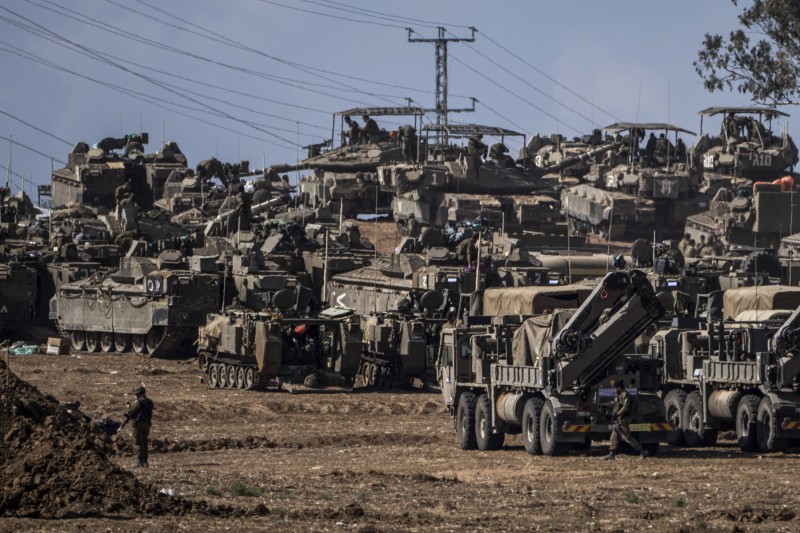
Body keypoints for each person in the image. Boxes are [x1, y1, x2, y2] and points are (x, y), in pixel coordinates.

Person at [603, 380, 648, 460]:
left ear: (619, 388)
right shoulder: (620, 395)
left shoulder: (625, 395)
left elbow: (625, 407)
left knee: (628, 437)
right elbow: (619, 404)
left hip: (624, 420)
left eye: (615, 388)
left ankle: (642, 451)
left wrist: (617, 414)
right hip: (619, 420)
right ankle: (611, 454)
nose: (614, 390)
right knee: (614, 435)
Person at [125, 384, 154, 467]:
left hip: (138, 425)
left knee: (138, 443)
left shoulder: (139, 402)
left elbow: (131, 412)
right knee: (145, 442)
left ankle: (140, 461)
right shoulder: (149, 401)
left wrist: (128, 407)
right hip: (147, 424)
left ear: (139, 394)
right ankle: (145, 460)